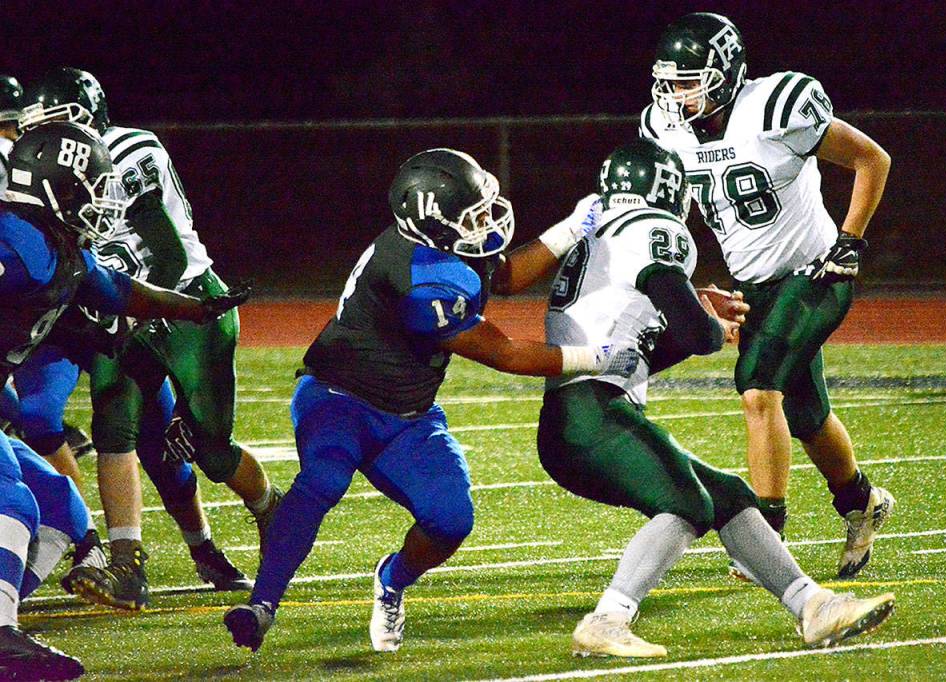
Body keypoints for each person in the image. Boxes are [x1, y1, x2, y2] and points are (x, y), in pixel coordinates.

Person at [224, 147, 637, 654]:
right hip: (338, 398)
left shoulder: (439, 248)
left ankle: (391, 580)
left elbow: (503, 276)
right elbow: (504, 353)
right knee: (323, 479)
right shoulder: (420, 278)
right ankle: (262, 605)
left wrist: (575, 225)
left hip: (409, 414)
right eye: (472, 216)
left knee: (451, 520)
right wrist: (598, 358)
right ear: (433, 223)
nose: (486, 222)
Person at [538, 138, 895, 658]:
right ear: (668, 188)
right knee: (687, 503)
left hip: (583, 414)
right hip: (591, 416)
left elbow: (638, 354)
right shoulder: (654, 229)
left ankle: (813, 606)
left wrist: (698, 319)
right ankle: (608, 619)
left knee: (730, 497)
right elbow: (696, 333)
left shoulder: (599, 233)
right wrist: (711, 324)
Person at [640, 12, 894, 579]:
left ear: (726, 74)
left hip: (816, 271)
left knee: (757, 388)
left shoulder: (775, 106)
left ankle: (764, 535)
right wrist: (686, 283)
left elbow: (871, 158)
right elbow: (671, 214)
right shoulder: (663, 127)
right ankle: (862, 503)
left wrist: (850, 242)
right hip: (754, 285)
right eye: (670, 82)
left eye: (689, 82)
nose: (676, 95)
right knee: (806, 415)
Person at [0, 121, 248, 679]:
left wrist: (192, 308)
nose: (98, 199)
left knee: (59, 504)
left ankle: (6, 619)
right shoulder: (16, 244)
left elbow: (120, 290)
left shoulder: (55, 247)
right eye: (89, 185)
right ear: (57, 187)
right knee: (10, 498)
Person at [20, 67, 269, 609]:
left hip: (181, 302)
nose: (39, 135)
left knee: (208, 450)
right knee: (113, 427)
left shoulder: (129, 150)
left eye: (52, 122)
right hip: (113, 308)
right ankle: (124, 565)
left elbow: (168, 256)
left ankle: (267, 509)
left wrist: (128, 308)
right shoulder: (38, 168)